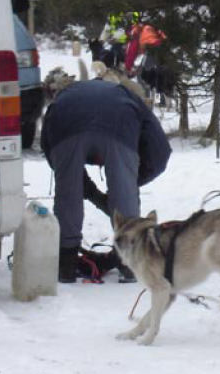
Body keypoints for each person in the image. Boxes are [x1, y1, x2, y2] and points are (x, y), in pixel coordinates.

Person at [40, 79, 172, 282]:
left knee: (68, 193)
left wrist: (75, 180)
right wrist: (132, 181)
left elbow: (49, 146)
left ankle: (65, 263)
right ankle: (128, 262)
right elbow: (160, 153)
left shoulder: (66, 95)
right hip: (118, 122)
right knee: (124, 193)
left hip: (65, 119)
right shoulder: (133, 101)